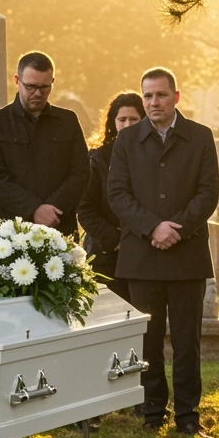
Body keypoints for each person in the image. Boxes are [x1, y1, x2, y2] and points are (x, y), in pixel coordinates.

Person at [108, 67, 219, 435]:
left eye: (160, 95)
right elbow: (118, 194)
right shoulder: (126, 142)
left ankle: (187, 416)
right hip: (142, 257)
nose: (154, 102)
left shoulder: (200, 137)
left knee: (187, 341)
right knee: (149, 340)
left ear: (176, 97)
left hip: (186, 257)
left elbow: (208, 193)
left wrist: (177, 228)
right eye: (148, 96)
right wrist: (152, 227)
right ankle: (153, 412)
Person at [0, 51, 89, 232]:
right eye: (30, 86)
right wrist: (34, 209)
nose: (37, 93)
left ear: (52, 82)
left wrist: (51, 209)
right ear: (16, 80)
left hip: (58, 225)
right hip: (9, 231)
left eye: (44, 87)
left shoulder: (68, 121)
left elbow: (81, 172)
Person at [77, 91, 146, 302]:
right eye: (122, 119)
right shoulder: (97, 159)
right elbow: (86, 209)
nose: (127, 124)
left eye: (133, 119)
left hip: (144, 255)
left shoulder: (153, 157)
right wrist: (116, 240)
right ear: (112, 122)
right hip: (106, 254)